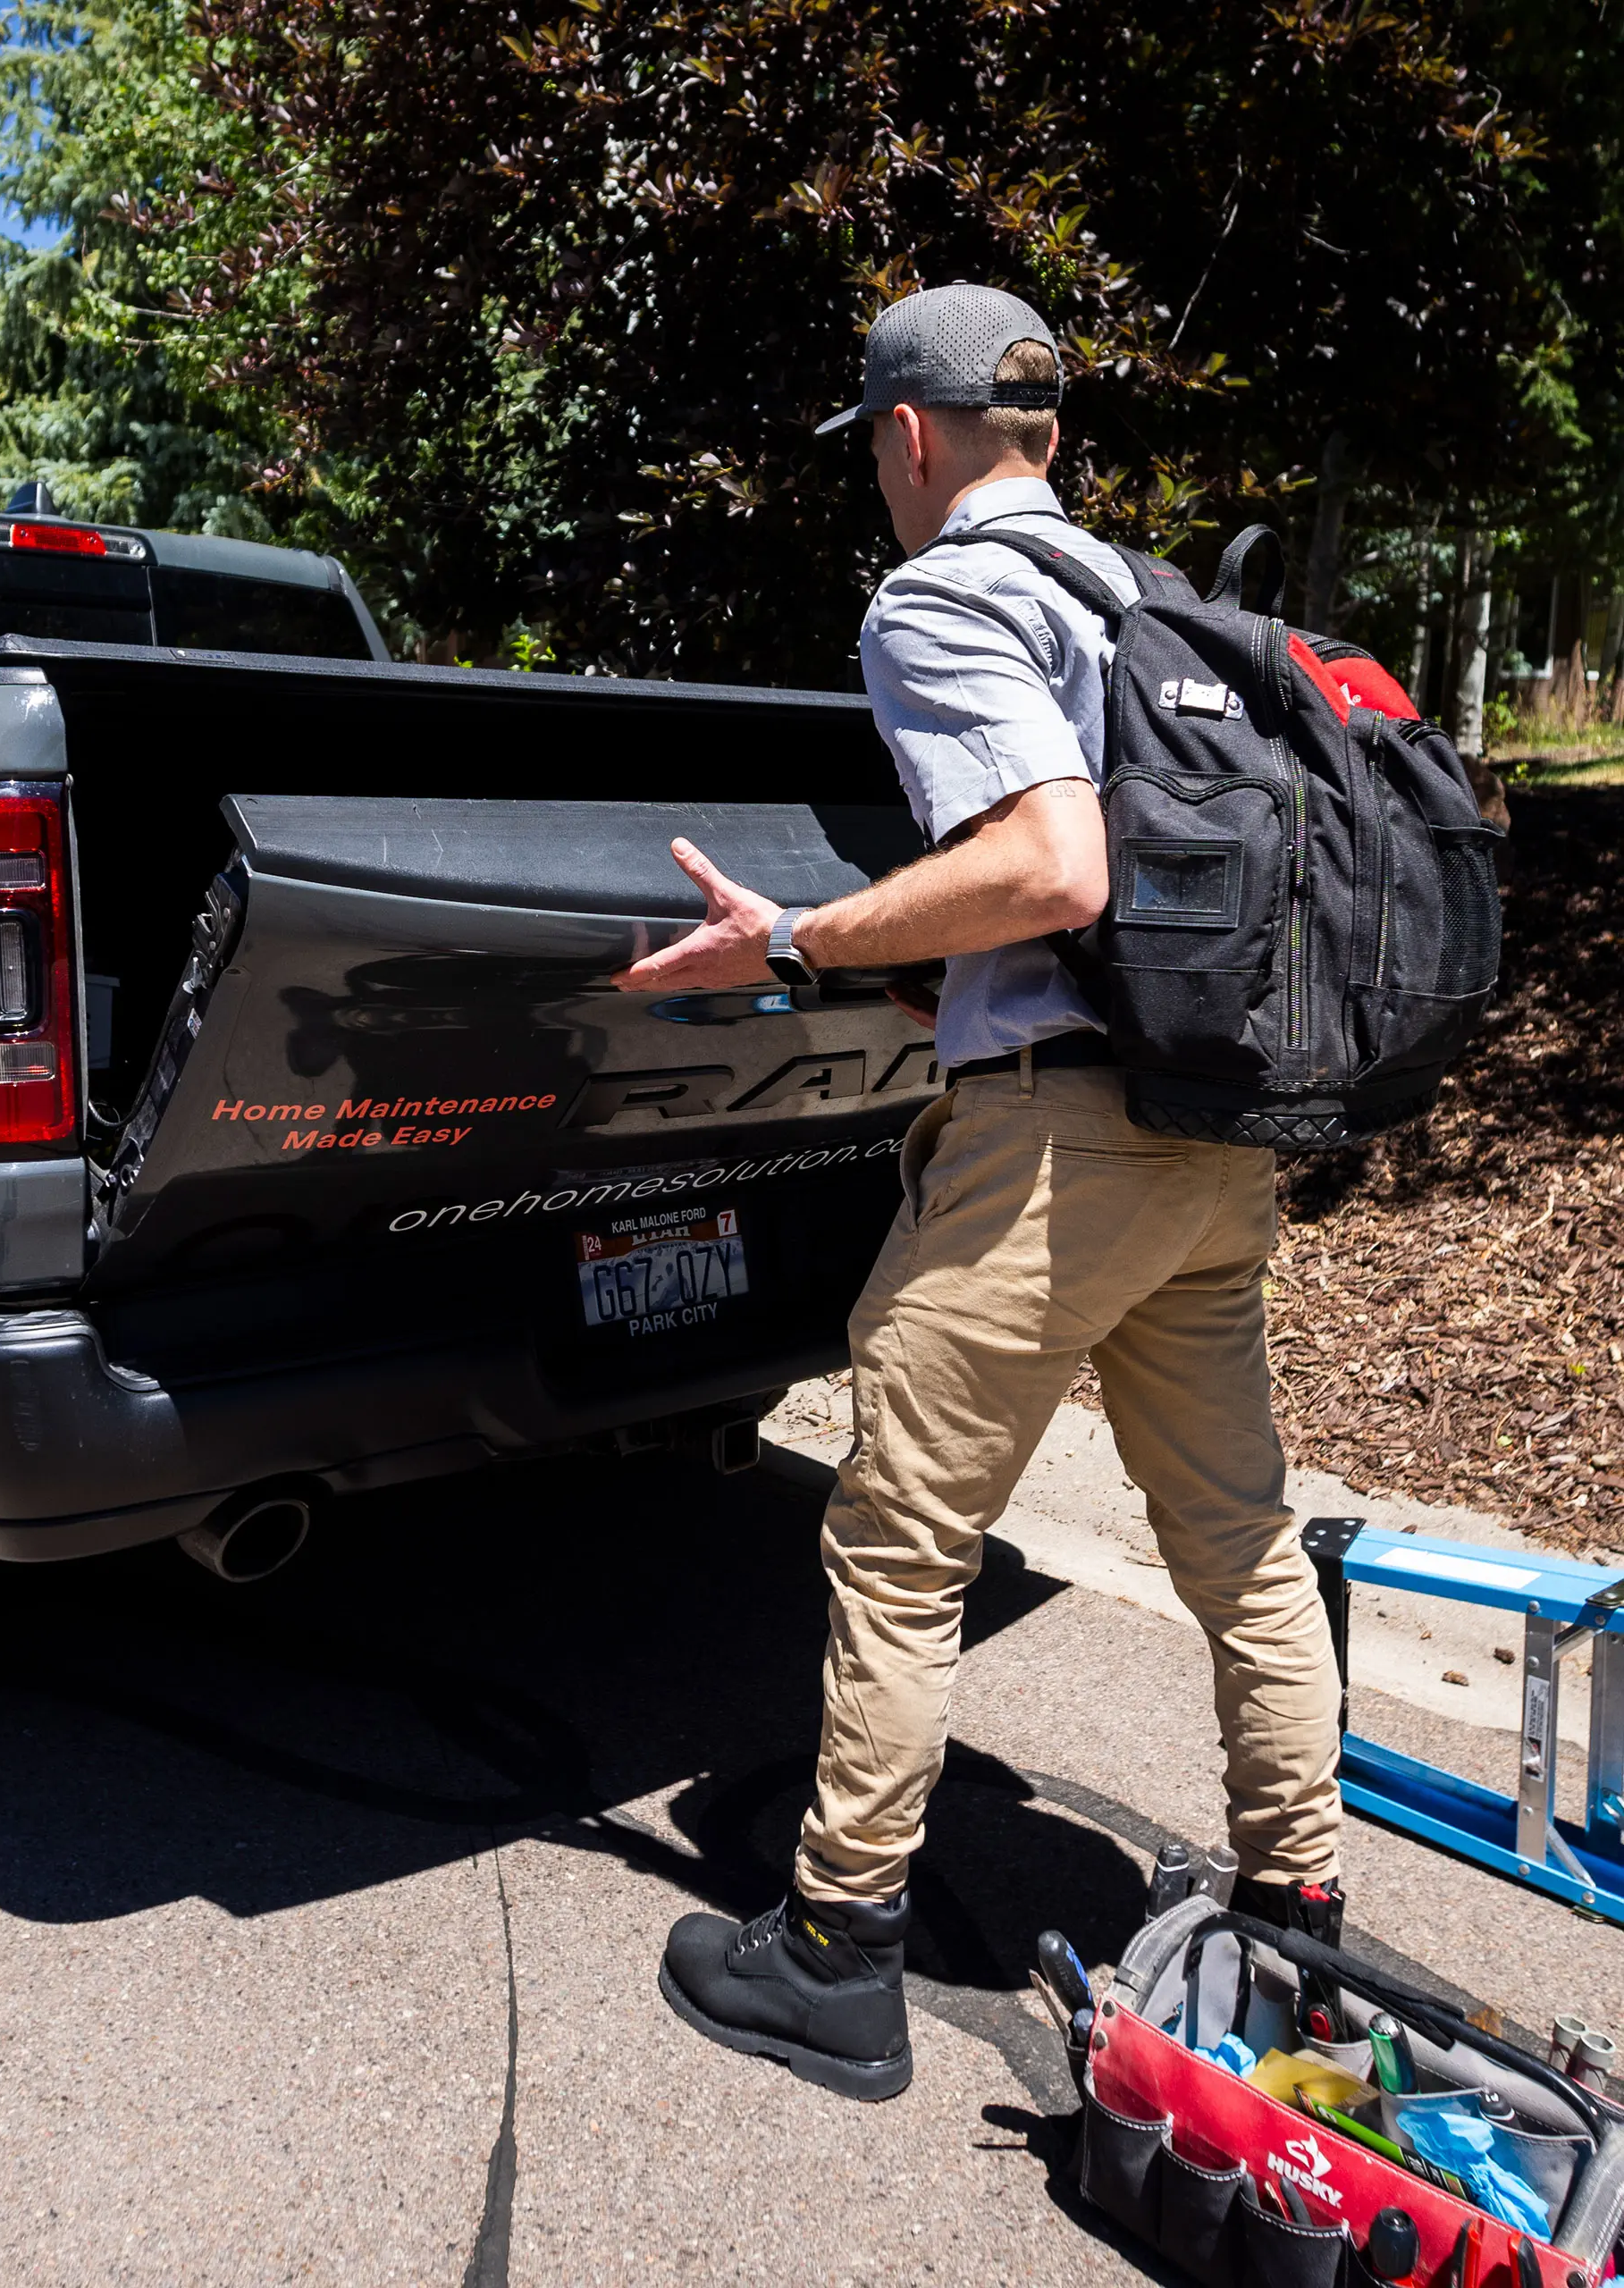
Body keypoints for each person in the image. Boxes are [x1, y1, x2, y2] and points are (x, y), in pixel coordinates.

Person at [612, 282, 1343, 2102]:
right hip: (1209, 1134)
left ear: (910, 434)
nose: (876, 470)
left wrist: (787, 935)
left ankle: (837, 1948)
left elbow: (1047, 859)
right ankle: (1298, 1920)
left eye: (871, 441)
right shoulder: (1147, 597)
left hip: (1055, 1153)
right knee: (1241, 1539)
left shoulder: (937, 594)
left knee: (894, 1533)